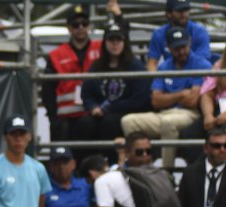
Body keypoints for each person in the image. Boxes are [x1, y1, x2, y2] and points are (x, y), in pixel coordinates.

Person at [121, 26, 211, 169]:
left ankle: (166, 172)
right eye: (177, 48)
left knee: (169, 123)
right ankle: (139, 168)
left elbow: (193, 101)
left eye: (183, 46)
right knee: (128, 121)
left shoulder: (201, 64)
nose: (181, 51)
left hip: (189, 114)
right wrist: (181, 94)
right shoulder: (164, 66)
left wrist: (167, 97)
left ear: (189, 42)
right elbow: (156, 101)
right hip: (163, 114)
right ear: (168, 48)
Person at [78, 20, 151, 164]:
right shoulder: (97, 66)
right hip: (101, 112)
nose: (115, 43)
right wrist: (92, 107)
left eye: (119, 39)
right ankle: (84, 167)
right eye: (111, 39)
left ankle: (111, 164)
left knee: (109, 123)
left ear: (125, 43)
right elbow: (86, 93)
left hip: (125, 112)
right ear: (105, 43)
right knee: (83, 124)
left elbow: (140, 99)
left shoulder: (135, 66)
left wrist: (109, 108)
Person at [41, 4, 102, 142]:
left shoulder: (101, 49)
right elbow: (48, 91)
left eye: (84, 23)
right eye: (75, 24)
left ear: (89, 26)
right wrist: (53, 118)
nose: (80, 27)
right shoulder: (56, 55)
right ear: (68, 28)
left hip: (93, 115)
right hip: (65, 119)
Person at [146, 0, 213, 72]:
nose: (183, 13)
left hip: (195, 76)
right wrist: (156, 81)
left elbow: (202, 64)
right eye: (179, 10)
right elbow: (152, 64)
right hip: (170, 77)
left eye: (186, 9)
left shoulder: (200, 32)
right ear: (169, 13)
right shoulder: (159, 33)